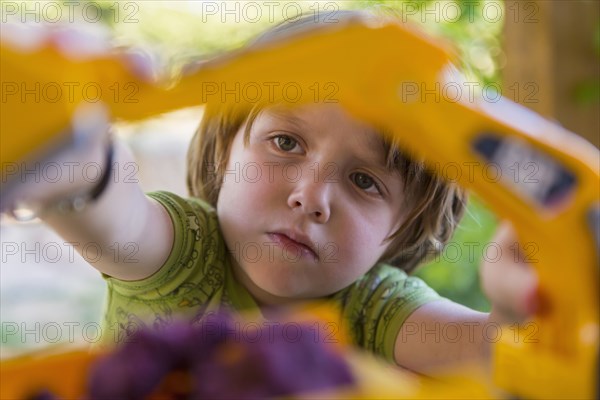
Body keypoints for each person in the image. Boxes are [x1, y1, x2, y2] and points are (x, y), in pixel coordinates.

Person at [2, 10, 538, 374]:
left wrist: (524, 309)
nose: (311, 197)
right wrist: (66, 150)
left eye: (364, 181)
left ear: (404, 231)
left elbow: (499, 350)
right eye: (286, 143)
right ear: (224, 152)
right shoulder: (183, 252)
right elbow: (111, 212)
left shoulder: (375, 307)